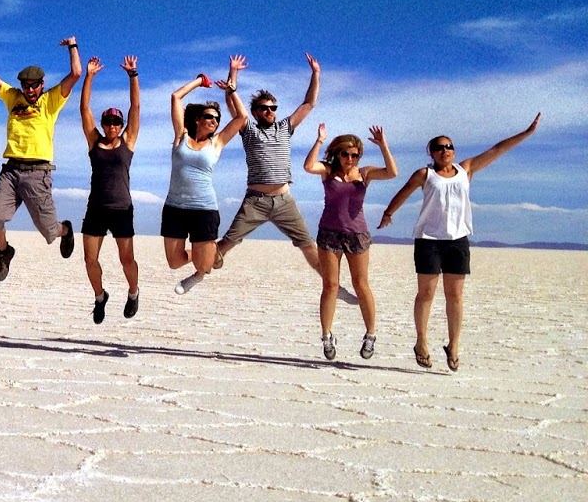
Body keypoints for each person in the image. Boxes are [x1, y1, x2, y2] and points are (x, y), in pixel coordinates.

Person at [378, 115, 540, 371]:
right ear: (431, 152)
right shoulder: (425, 173)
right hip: (429, 241)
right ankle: (421, 342)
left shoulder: (466, 169)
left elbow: (497, 148)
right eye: (440, 147)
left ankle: (453, 345)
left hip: (457, 241)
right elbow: (403, 193)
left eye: (449, 146)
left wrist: (527, 132)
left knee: (455, 295)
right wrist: (388, 214)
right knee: (426, 293)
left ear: (454, 151)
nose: (445, 150)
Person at [214, 55, 359, 302]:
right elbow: (232, 102)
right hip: (255, 201)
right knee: (226, 244)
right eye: (264, 108)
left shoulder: (284, 128)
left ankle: (336, 288)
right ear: (255, 111)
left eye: (273, 108)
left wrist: (316, 74)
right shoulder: (248, 129)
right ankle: (200, 272)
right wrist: (233, 74)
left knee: (308, 246)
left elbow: (308, 103)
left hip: (284, 201)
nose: (270, 112)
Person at [0, 19, 80, 281]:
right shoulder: (12, 98)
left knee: (49, 233)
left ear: (42, 84)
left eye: (34, 85)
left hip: (37, 173)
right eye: (26, 85)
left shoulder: (51, 100)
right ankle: (5, 252)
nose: (30, 90)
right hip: (11, 172)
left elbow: (75, 74)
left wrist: (73, 47)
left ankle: (66, 229)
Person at [302, 125, 397, 360]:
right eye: (346, 154)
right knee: (330, 286)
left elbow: (392, 173)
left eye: (355, 155)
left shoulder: (364, 173)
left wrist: (383, 145)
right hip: (329, 234)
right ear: (338, 153)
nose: (350, 159)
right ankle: (326, 336)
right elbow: (307, 166)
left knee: (361, 284)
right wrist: (319, 141)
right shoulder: (328, 171)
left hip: (357, 235)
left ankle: (370, 335)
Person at [163, 56, 247, 295]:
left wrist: (232, 84)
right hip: (175, 208)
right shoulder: (181, 136)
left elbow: (241, 118)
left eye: (217, 119)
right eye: (209, 116)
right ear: (198, 119)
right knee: (174, 261)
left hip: (204, 209)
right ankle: (204, 253)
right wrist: (199, 81)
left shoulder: (217, 142)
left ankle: (200, 270)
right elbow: (175, 97)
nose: (214, 121)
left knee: (205, 266)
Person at [77, 53, 141, 324]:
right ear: (103, 125)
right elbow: (84, 110)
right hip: (96, 209)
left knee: (127, 260)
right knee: (90, 260)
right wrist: (89, 76)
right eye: (108, 122)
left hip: (122, 210)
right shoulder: (95, 143)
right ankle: (100, 297)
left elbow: (135, 107)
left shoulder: (128, 141)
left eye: (116, 122)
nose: (112, 126)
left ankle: (134, 292)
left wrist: (132, 76)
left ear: (121, 125)